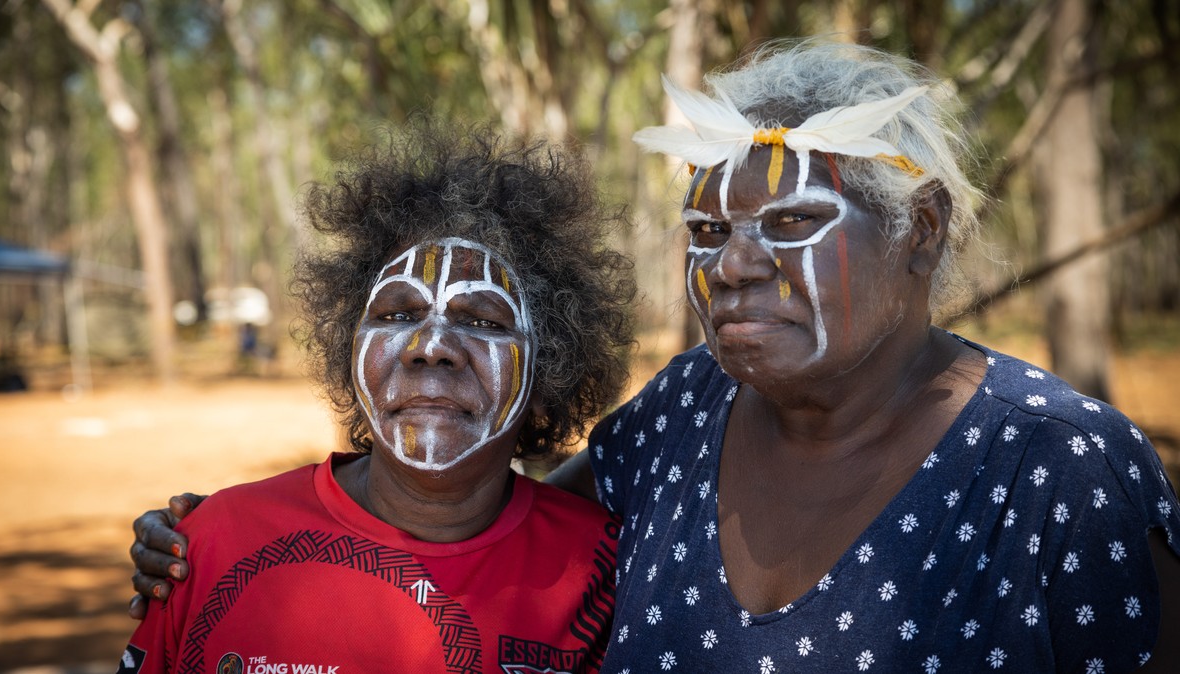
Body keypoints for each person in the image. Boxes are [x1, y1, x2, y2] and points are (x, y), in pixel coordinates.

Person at [130, 42, 1180, 673]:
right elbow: (489, 522)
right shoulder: (688, 410)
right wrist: (232, 539)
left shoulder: (1060, 471)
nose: (736, 266)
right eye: (709, 234)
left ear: (920, 226)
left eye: (793, 221)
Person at [116, 120, 635, 673]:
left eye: (483, 320)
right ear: (351, 349)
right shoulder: (212, 546)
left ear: (547, 371)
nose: (431, 346)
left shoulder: (606, 573)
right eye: (398, 314)